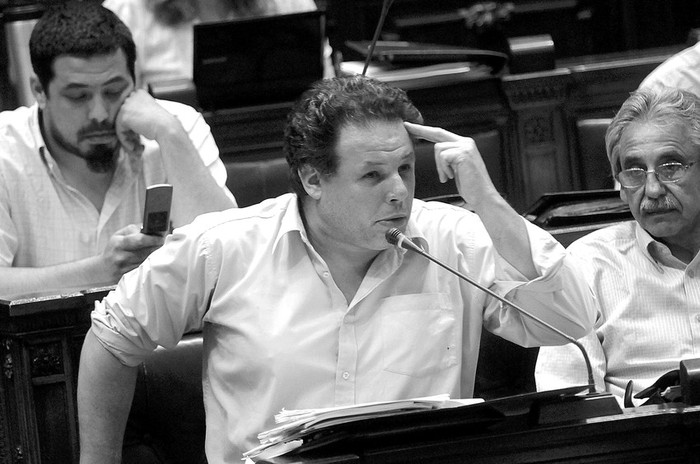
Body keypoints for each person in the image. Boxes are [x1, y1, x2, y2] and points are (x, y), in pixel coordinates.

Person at [78, 74, 595, 463]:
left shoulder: (449, 239)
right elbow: (112, 338)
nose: (398, 191)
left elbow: (570, 321)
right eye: (372, 175)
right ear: (313, 178)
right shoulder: (226, 247)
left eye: (406, 170)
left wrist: (484, 197)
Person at [0, 2, 236, 296]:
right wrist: (98, 272)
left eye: (114, 91)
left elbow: (231, 260)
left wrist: (169, 134)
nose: (99, 113)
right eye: (78, 96)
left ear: (136, 80)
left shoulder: (176, 126)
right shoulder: (5, 148)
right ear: (39, 91)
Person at [536, 86, 700, 405]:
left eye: (671, 166)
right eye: (634, 171)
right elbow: (568, 406)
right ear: (620, 186)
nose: (652, 190)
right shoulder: (586, 267)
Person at [103, 0, 334, 89]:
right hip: (172, 161)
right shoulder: (127, 11)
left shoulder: (291, 3)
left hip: (281, 150)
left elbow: (326, 96)